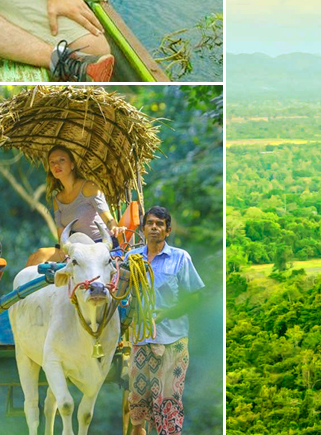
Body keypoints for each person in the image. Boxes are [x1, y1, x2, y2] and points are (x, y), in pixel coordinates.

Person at [124, 206, 205, 435]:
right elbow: (121, 296)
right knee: (138, 399)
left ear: (167, 231)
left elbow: (196, 297)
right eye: (150, 223)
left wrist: (167, 313)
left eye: (160, 224)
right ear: (143, 228)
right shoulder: (132, 259)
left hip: (173, 340)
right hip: (141, 339)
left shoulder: (180, 258)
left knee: (168, 399)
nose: (154, 228)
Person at [25, 145, 121, 268]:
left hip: (98, 246)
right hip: (76, 247)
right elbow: (61, 237)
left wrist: (114, 227)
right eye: (52, 162)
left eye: (61, 160)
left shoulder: (89, 187)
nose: (56, 165)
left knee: (42, 255)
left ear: (72, 165)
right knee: (37, 256)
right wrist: (64, 253)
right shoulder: (58, 200)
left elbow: (108, 219)